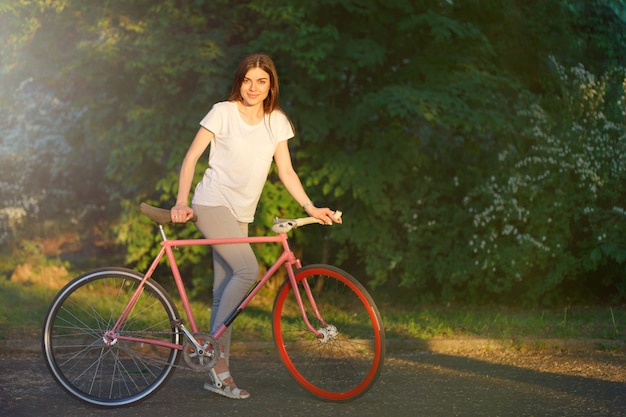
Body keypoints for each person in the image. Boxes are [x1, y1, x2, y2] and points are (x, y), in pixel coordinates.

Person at [170, 53, 341, 400]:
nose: (253, 87)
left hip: (241, 214)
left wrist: (311, 206)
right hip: (211, 203)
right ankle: (212, 352)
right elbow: (191, 158)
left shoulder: (275, 121)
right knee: (247, 270)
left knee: (224, 293)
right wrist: (181, 202)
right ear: (240, 81)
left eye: (261, 81)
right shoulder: (222, 112)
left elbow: (286, 171)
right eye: (248, 80)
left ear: (270, 86)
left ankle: (218, 373)